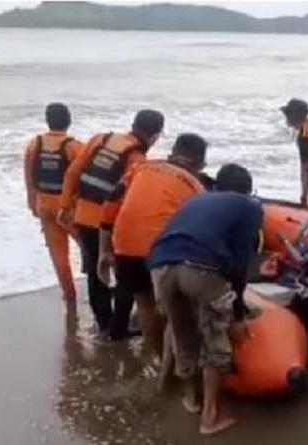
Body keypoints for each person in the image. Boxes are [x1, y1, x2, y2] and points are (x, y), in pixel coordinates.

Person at [149, 164, 262, 435]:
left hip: (160, 264)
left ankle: (191, 399)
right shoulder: (249, 206)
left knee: (182, 334)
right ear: (248, 189)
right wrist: (237, 313)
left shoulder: (196, 199)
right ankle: (210, 417)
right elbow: (240, 262)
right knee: (215, 342)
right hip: (199, 268)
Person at [59, 110, 164, 336]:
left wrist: (65, 206)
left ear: (133, 124)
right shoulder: (138, 160)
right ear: (155, 137)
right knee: (121, 274)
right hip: (109, 225)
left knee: (95, 272)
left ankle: (103, 322)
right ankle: (117, 326)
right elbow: (127, 201)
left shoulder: (101, 139)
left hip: (83, 216)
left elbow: (72, 173)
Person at [98, 133, 206, 343]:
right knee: (173, 306)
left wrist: (104, 250)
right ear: (200, 164)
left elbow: (110, 204)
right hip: (159, 250)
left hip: (124, 245)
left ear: (173, 153)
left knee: (144, 302)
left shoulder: (140, 168)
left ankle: (154, 353)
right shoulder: (194, 186)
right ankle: (171, 355)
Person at [23, 103, 84, 302]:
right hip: (68, 208)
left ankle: (69, 295)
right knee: (89, 249)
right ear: (68, 120)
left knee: (59, 256)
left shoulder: (35, 144)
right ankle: (99, 288)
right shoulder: (74, 146)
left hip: (44, 204)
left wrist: (32, 204)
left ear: (47, 121)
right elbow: (82, 179)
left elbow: (29, 177)